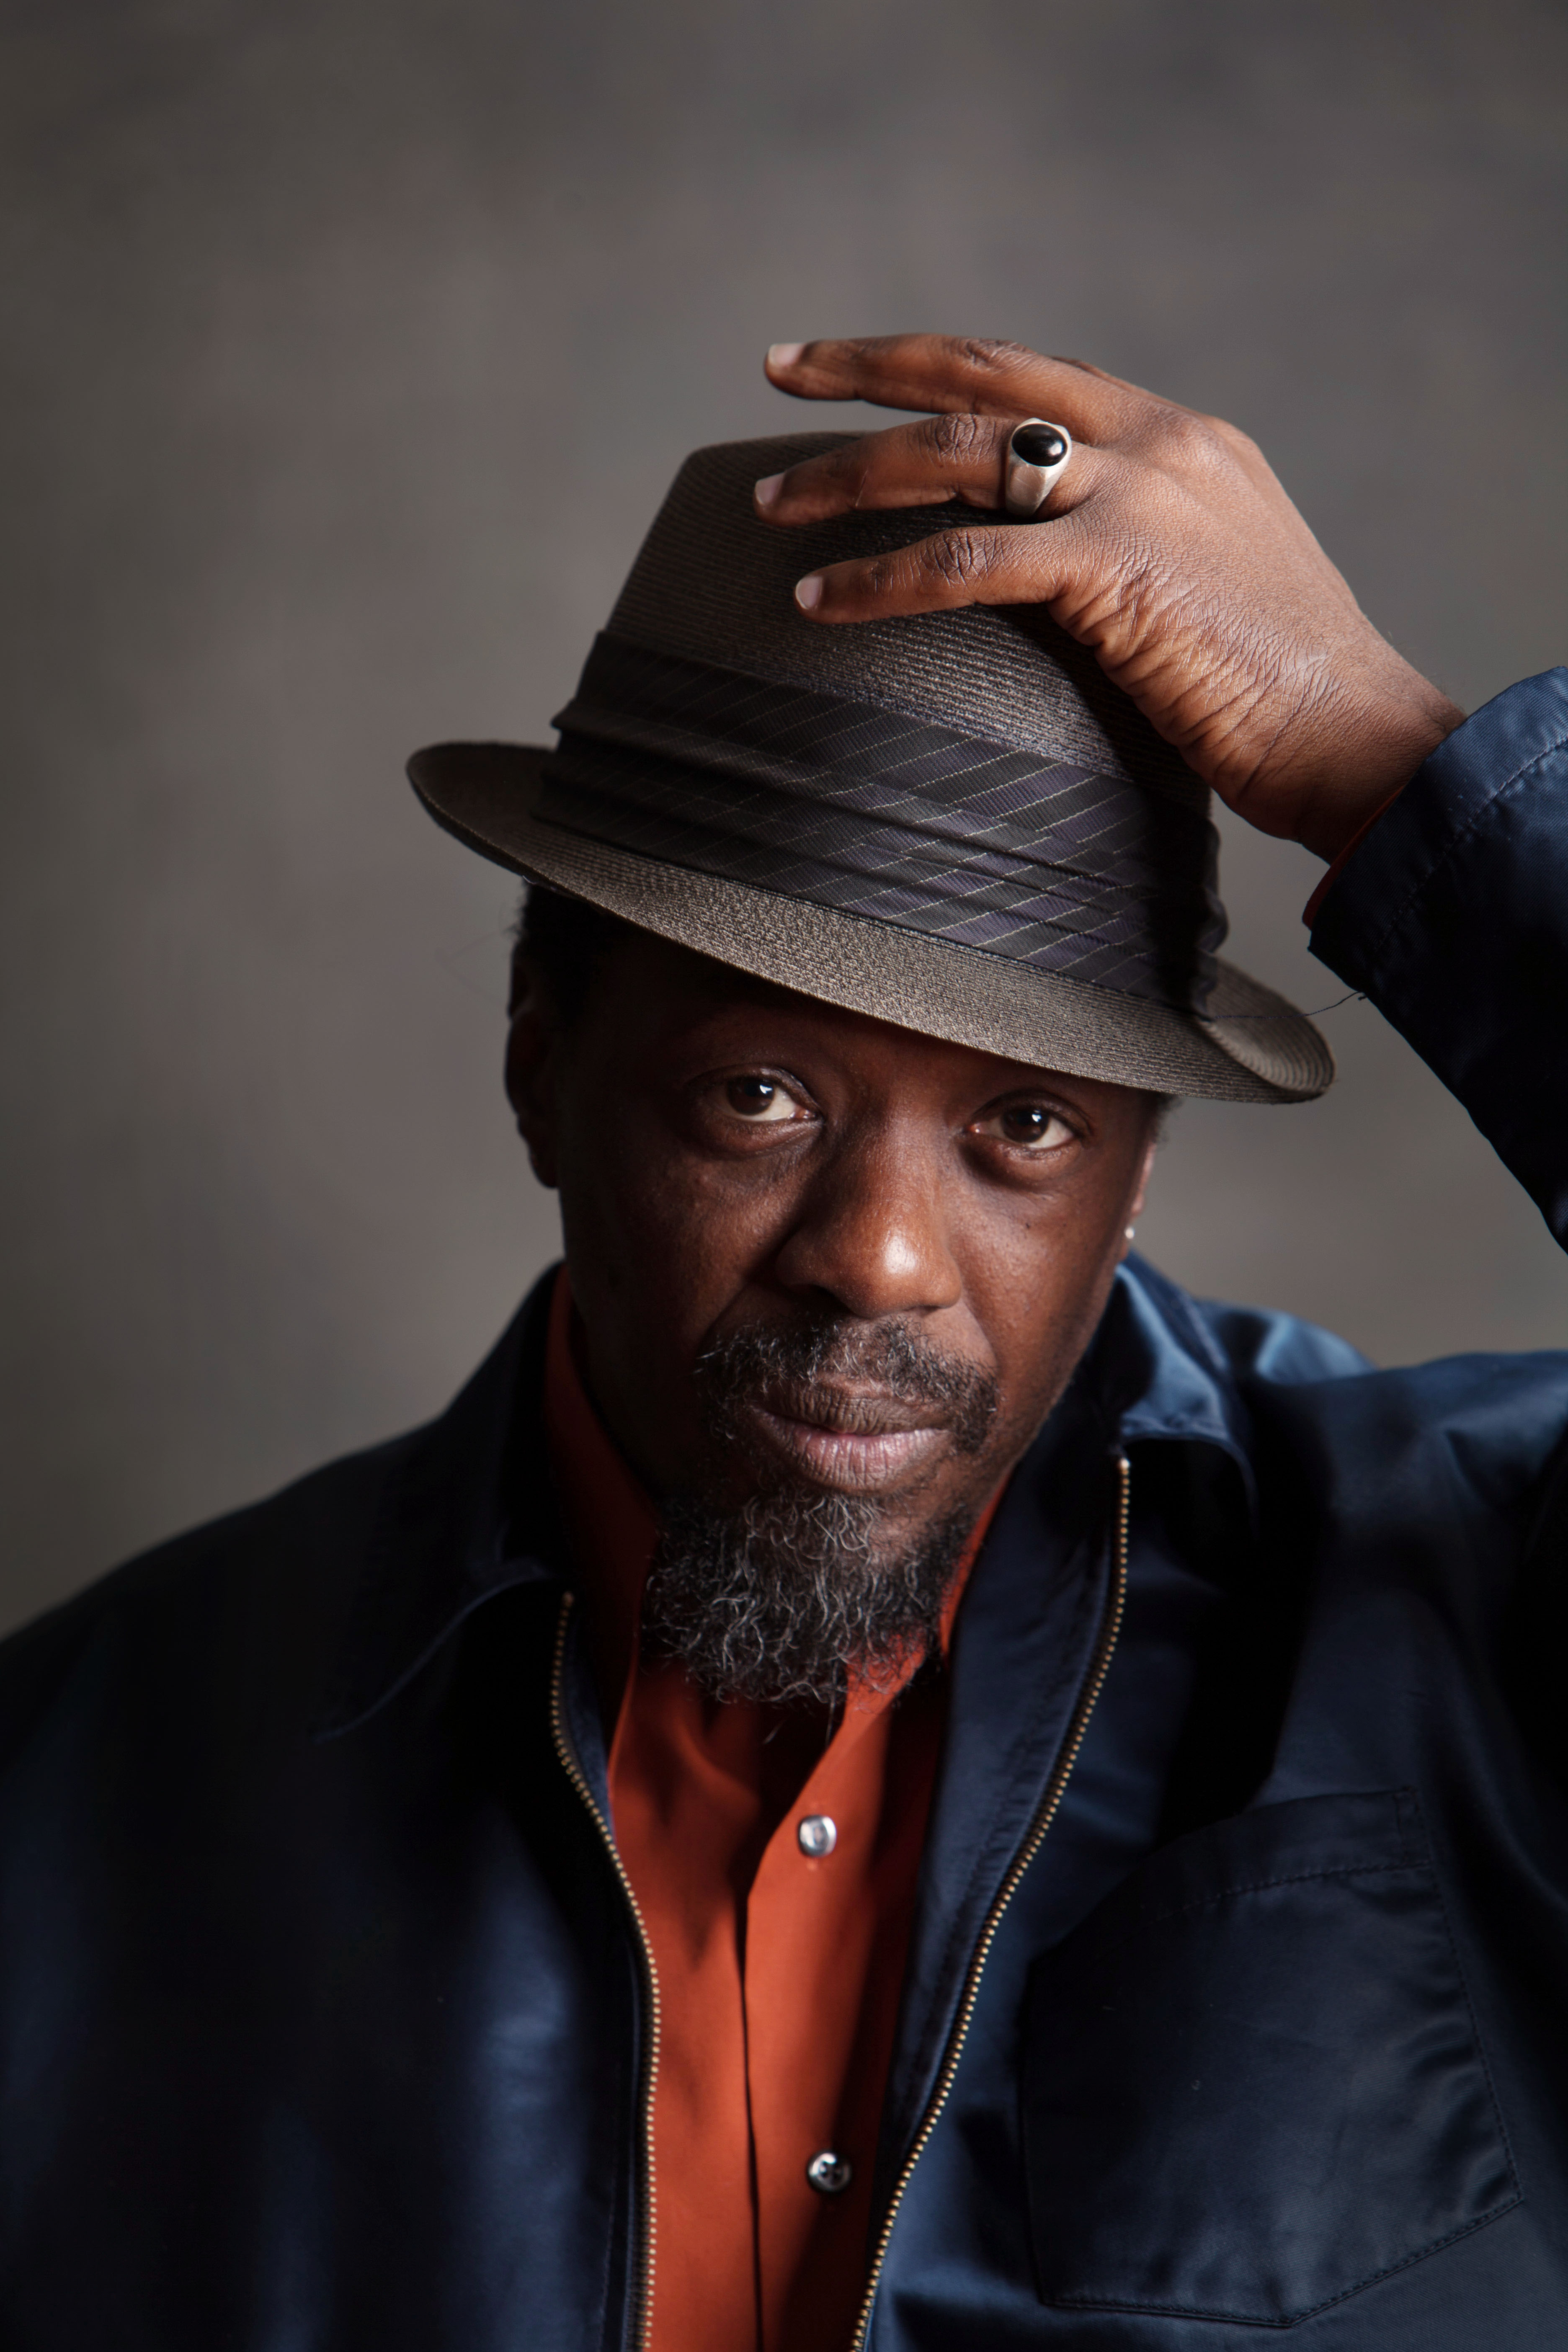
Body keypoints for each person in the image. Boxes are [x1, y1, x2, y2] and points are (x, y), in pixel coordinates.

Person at [1, 332, 1565, 2352]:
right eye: (760, 1097)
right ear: (543, 1067)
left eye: (1026, 1126)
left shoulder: (1475, 1620)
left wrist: (1383, 760)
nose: (883, 1257)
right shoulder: (74, 1804)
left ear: (1142, 1171)